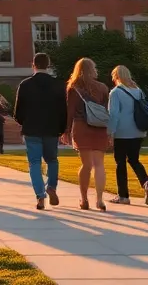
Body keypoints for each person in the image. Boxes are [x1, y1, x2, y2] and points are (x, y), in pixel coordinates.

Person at [13, 52, 68, 210]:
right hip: (51, 129)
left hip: (32, 129)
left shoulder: (25, 84)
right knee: (52, 160)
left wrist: (24, 122)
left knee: (34, 163)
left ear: (33, 65)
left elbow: (18, 112)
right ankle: (51, 186)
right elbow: (63, 110)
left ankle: (40, 196)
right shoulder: (58, 84)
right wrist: (62, 128)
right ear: (48, 65)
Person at [67, 57, 111, 212]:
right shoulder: (103, 88)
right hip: (100, 128)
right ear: (93, 69)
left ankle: (84, 199)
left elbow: (70, 112)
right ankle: (100, 200)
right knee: (99, 164)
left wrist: (66, 131)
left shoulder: (74, 88)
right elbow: (107, 112)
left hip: (81, 127)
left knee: (86, 165)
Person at [107, 66, 148, 205]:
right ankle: (147, 182)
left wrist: (110, 132)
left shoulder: (116, 92)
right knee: (134, 160)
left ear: (116, 76)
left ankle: (123, 196)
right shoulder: (138, 91)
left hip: (122, 132)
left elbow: (114, 114)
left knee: (120, 163)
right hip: (139, 130)